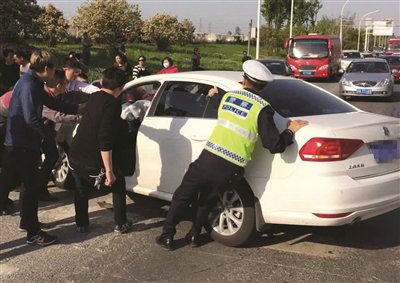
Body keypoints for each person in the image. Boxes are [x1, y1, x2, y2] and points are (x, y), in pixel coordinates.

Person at [156, 60, 308, 250]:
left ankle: (167, 236)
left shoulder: (228, 97)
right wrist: (290, 131)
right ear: (265, 86)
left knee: (182, 196)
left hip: (207, 161)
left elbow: (216, 101)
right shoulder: (263, 109)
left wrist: (213, 94)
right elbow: (274, 145)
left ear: (243, 81)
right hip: (230, 170)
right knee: (208, 200)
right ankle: (194, 235)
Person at [0, 50, 81, 246]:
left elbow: (51, 103)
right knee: (29, 187)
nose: (55, 74)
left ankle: (27, 223)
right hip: (21, 144)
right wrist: (53, 134)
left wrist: (79, 109)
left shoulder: (35, 82)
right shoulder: (28, 84)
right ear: (46, 69)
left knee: (25, 185)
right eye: (54, 70)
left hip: (25, 143)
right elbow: (31, 119)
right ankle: (33, 232)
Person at [68, 67, 134, 234]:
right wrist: (109, 171)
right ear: (121, 88)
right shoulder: (113, 103)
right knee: (118, 182)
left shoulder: (94, 97)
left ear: (101, 80)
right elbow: (104, 138)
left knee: (80, 189)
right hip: (92, 159)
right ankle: (121, 223)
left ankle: (81, 224)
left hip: (75, 154)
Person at [37, 69, 83, 202]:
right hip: (34, 132)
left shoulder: (54, 95)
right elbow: (58, 116)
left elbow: (62, 108)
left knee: (52, 156)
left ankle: (40, 188)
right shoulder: (44, 96)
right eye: (65, 83)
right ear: (58, 85)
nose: (67, 86)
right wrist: (82, 117)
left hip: (45, 131)